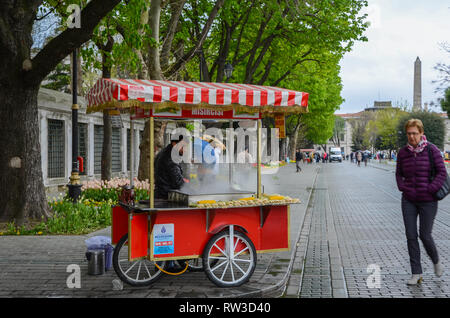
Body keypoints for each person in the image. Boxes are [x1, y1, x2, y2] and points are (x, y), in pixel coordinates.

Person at [396, 119, 446, 285]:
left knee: (425, 235)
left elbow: (442, 173)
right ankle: (416, 273)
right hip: (409, 200)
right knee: (411, 235)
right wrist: (402, 186)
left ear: (421, 133)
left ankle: (436, 261)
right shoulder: (403, 153)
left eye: (415, 133)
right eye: (409, 133)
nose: (412, 136)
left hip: (428, 201)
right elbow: (398, 173)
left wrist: (431, 189)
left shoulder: (432, 150)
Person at [154, 135, 186, 200]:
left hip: (160, 194)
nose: (184, 150)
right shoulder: (170, 158)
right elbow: (178, 183)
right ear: (174, 144)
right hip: (166, 197)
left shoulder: (164, 152)